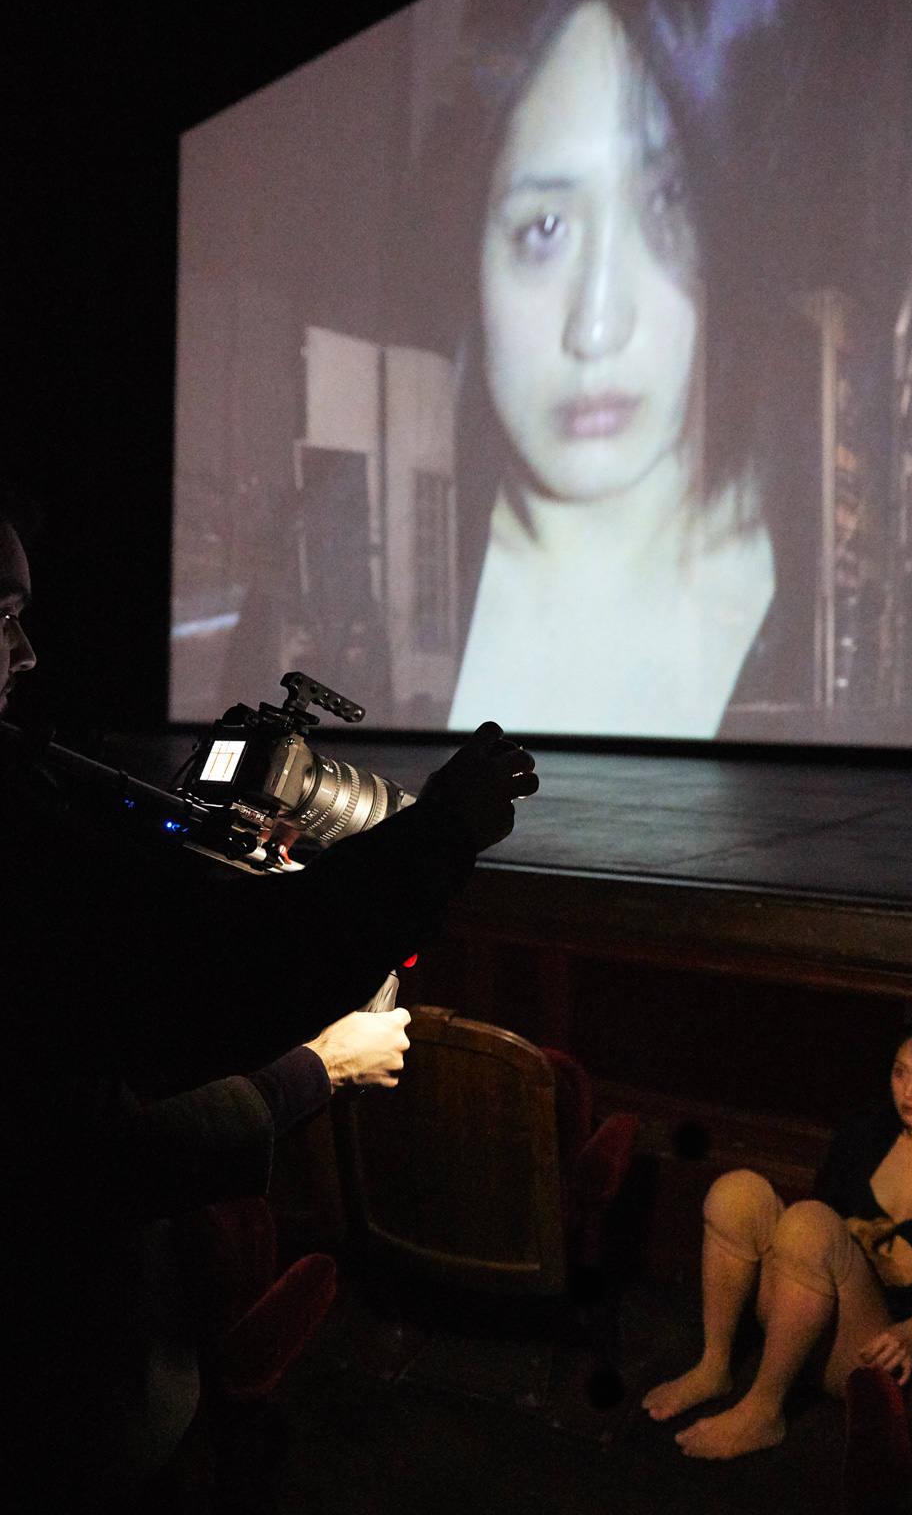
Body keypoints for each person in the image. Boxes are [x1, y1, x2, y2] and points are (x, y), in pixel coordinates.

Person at [0, 491, 538, 1508]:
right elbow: (108, 1116)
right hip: (56, 1409)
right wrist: (321, 1064)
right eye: (3, 618)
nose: (26, 655)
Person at [425, 0, 805, 738]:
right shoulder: (407, 602)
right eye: (544, 230)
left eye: (668, 206)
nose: (596, 328)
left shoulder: (815, 597)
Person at [641, 1011, 912, 1460]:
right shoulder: (866, 1134)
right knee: (736, 1193)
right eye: (900, 1073)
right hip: (807, 1315)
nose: (909, 1093)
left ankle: (763, 1410)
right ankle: (714, 1366)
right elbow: (817, 1222)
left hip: (880, 1349)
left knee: (810, 1224)